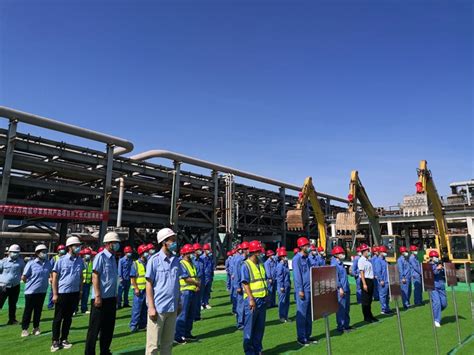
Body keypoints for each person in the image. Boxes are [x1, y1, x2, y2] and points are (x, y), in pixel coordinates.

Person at [145, 227, 182, 355]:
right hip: (158, 308)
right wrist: (151, 307)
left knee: (168, 344)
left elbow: (177, 283)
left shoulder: (176, 260)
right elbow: (148, 284)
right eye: (172, 240)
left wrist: (179, 302)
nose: (174, 242)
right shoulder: (154, 260)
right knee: (153, 346)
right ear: (164, 242)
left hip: (172, 308)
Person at [85, 232, 121, 355]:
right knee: (94, 329)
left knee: (108, 328)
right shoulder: (101, 257)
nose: (117, 245)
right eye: (115, 243)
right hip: (100, 299)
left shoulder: (113, 258)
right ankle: (90, 353)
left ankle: (105, 351)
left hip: (111, 298)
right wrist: (98, 296)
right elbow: (95, 276)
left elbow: (113, 278)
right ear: (108, 243)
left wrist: (115, 295)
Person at [50, 236, 84, 352]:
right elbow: (55, 278)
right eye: (76, 246)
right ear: (70, 247)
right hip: (62, 293)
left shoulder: (80, 260)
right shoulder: (61, 260)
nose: (78, 248)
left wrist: (80, 291)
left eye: (79, 246)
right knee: (58, 318)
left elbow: (81, 277)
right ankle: (55, 341)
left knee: (68, 318)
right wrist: (55, 294)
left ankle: (64, 339)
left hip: (74, 293)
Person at [241, 240, 268, 355]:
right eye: (258, 251)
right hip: (253, 300)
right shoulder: (246, 265)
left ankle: (258, 349)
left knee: (260, 327)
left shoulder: (260, 263)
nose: (260, 253)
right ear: (254, 252)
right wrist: (251, 299)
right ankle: (249, 351)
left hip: (262, 299)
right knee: (250, 327)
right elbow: (245, 283)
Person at [20, 244, 52, 337]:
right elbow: (24, 277)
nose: (45, 253)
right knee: (28, 311)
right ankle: (24, 329)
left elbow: (51, 273)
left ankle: (36, 328)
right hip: (31, 292)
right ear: (37, 253)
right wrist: (31, 283)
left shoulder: (48, 263)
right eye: (43, 252)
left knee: (38, 311)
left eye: (45, 251)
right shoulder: (31, 263)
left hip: (42, 291)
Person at [293, 237, 317, 346]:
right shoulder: (296, 259)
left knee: (308, 314)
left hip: (310, 289)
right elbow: (297, 276)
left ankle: (308, 335)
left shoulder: (307, 258)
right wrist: (300, 290)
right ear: (301, 247)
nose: (309, 247)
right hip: (303, 291)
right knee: (302, 314)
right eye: (307, 245)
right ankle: (301, 337)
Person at [174, 244, 200, 344]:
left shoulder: (191, 263)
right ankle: (178, 335)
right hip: (185, 292)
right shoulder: (182, 263)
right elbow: (185, 277)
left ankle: (187, 333)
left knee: (190, 314)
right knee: (182, 314)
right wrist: (197, 283)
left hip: (192, 290)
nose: (192, 254)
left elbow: (195, 275)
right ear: (185, 253)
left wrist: (197, 285)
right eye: (190, 252)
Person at [0, 244, 25, 326]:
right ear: (9, 252)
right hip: (3, 287)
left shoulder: (21, 262)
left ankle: (12, 320)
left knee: (13, 304)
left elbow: (23, 272)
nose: (15, 254)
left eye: (17, 252)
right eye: (13, 252)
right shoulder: (3, 262)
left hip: (15, 286)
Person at [330, 246, 352, 333]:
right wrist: (340, 288)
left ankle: (346, 325)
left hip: (346, 288)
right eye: (341, 253)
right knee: (341, 309)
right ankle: (341, 326)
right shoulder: (334, 264)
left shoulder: (340, 263)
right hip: (341, 290)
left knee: (346, 308)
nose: (343, 254)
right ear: (336, 255)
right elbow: (335, 278)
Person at [129, 244, 149, 332]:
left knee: (145, 308)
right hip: (139, 290)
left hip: (146, 289)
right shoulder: (135, 264)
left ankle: (142, 325)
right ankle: (133, 325)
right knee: (137, 309)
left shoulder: (148, 263)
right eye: (145, 252)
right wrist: (136, 288)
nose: (147, 254)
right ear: (141, 253)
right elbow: (133, 278)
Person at [358, 244, 378, 323]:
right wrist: (364, 284)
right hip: (365, 280)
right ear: (363, 252)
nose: (368, 252)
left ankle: (370, 315)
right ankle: (366, 317)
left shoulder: (368, 260)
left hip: (370, 280)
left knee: (369, 300)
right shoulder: (361, 260)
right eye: (367, 251)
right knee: (365, 300)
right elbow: (362, 272)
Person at [233, 242, 249, 330]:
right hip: (240, 286)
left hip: (246, 285)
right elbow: (236, 273)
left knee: (245, 305)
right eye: (247, 249)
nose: (249, 250)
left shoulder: (247, 259)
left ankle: (245, 321)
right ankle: (240, 323)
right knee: (240, 306)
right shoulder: (239, 260)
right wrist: (237, 286)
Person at [429, 250, 447, 327]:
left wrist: (443, 268)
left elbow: (444, 273)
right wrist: (438, 268)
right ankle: (436, 320)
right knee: (437, 303)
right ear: (431, 258)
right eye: (435, 257)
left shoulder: (439, 264)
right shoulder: (429, 265)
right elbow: (432, 273)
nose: (436, 258)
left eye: (437, 256)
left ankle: (437, 311)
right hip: (433, 286)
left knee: (444, 303)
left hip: (441, 285)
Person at [374, 246, 391, 314]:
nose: (385, 253)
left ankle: (387, 308)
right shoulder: (378, 260)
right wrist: (381, 280)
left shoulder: (384, 260)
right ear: (380, 252)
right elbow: (378, 271)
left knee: (386, 295)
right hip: (383, 280)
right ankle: (383, 309)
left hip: (387, 280)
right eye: (384, 252)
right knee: (383, 295)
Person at [48, 245, 66, 310]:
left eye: (63, 249)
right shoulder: (54, 258)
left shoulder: (65, 258)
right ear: (58, 250)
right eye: (61, 249)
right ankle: (50, 305)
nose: (62, 250)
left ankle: (58, 304)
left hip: (62, 277)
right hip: (55, 277)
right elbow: (50, 269)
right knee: (52, 291)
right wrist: (51, 277)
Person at [276, 247, 291, 322]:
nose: (286, 257)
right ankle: (282, 317)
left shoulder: (286, 265)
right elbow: (279, 277)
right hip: (282, 286)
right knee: (282, 301)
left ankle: (286, 316)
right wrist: (281, 286)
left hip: (287, 285)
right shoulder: (280, 266)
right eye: (284, 256)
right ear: (281, 257)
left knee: (287, 302)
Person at [200, 243, 215, 310]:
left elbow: (211, 267)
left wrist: (212, 275)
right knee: (202, 291)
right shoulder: (201, 258)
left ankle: (206, 303)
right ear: (204, 250)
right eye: (207, 249)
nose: (208, 251)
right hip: (203, 277)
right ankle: (201, 303)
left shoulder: (210, 258)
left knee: (207, 291)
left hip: (209, 276)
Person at [192, 243, 204, 321]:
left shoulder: (201, 260)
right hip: (193, 281)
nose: (199, 251)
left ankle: (197, 316)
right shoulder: (192, 260)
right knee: (192, 301)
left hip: (200, 281)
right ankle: (192, 316)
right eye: (198, 250)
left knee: (198, 300)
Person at [80, 248, 93, 314]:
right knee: (78, 296)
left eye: (89, 254)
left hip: (87, 283)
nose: (88, 255)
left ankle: (84, 309)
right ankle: (74, 310)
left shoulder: (91, 263)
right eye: (86, 254)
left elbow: (92, 272)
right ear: (83, 255)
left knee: (85, 296)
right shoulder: (80, 261)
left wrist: (91, 280)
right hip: (80, 282)